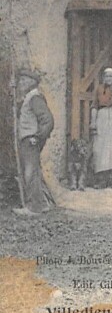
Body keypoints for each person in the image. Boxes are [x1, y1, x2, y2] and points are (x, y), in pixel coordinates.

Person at [13, 68, 55, 215]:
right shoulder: (28, 98)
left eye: (24, 80)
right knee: (33, 172)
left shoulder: (35, 98)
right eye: (20, 80)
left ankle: (34, 207)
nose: (20, 83)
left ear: (32, 83)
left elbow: (47, 120)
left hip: (31, 140)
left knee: (30, 173)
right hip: (27, 138)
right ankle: (43, 204)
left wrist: (38, 137)